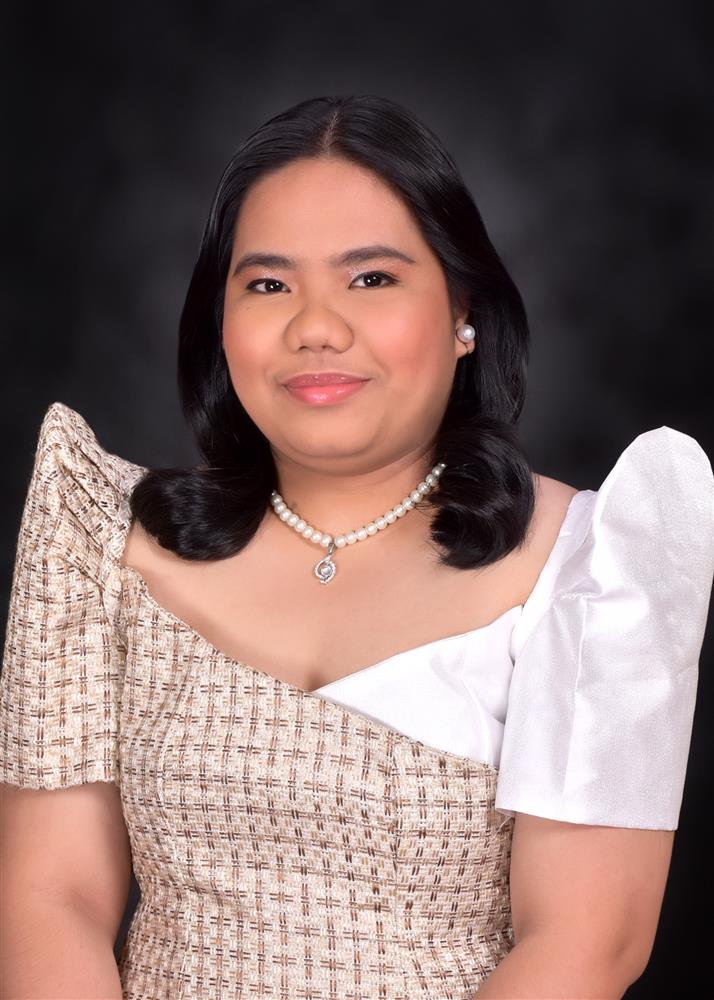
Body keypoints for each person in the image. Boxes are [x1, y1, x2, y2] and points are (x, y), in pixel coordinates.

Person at [1, 94, 712, 1000]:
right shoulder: (103, 538)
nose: (316, 327)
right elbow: (50, 898)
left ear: (464, 311)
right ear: (220, 323)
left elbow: (586, 944)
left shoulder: (586, 564)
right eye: (268, 285)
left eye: (371, 278)